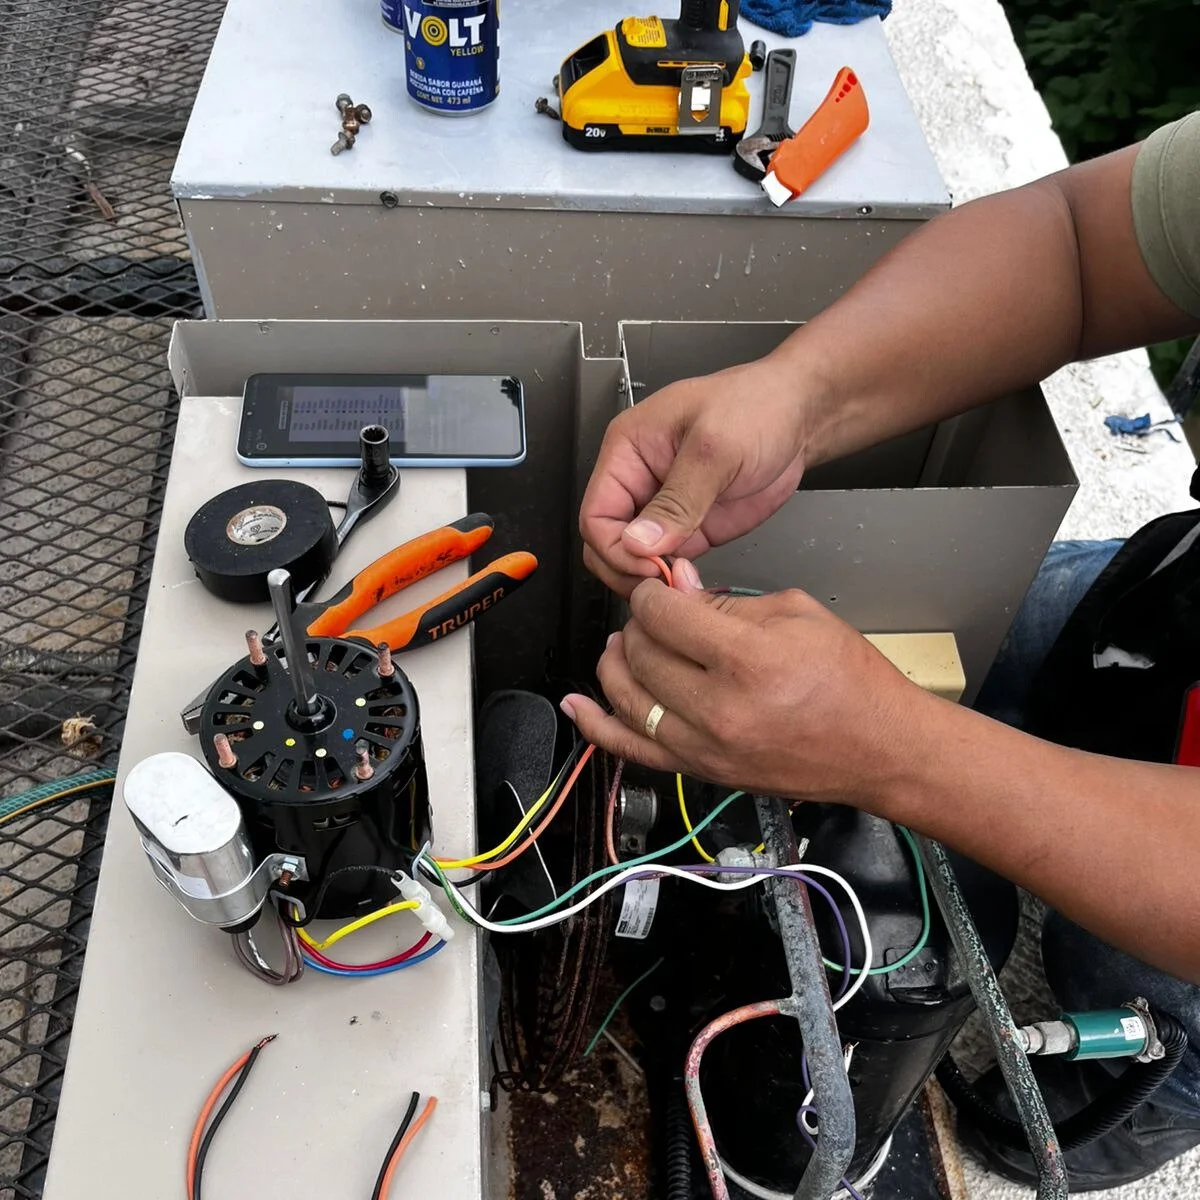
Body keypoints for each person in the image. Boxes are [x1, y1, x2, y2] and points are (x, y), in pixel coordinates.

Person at [562, 113, 1200, 1189]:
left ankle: (1153, 1086)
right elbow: (1076, 241)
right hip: (1166, 610)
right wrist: (795, 395)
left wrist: (898, 749)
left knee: (1072, 1066)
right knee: (991, 653)